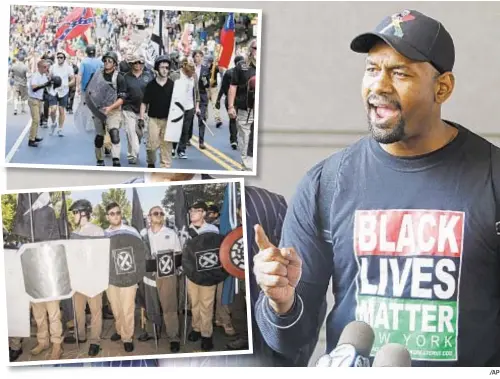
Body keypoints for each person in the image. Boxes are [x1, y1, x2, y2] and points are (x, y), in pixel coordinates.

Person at [253, 10, 500, 367]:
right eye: (372, 69)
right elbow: (290, 339)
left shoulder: (492, 178)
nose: (378, 86)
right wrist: (280, 301)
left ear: (442, 88)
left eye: (400, 72)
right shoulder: (327, 183)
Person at [140, 206, 182, 353]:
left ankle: (173, 337)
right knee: (151, 306)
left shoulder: (171, 233)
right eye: (155, 213)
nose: (159, 215)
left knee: (169, 307)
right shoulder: (143, 235)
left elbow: (178, 254)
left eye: (161, 213)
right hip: (149, 276)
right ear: (149, 217)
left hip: (167, 276)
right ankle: (153, 333)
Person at [104, 202, 143, 353]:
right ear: (108, 216)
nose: (116, 216)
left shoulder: (131, 231)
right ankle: (120, 330)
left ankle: (127, 337)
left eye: (118, 213)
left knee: (127, 308)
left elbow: (140, 253)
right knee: (116, 308)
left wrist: (136, 275)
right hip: (111, 279)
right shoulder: (104, 234)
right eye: (112, 213)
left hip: (128, 277)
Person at [69, 199, 105, 357]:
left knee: (96, 311)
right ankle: (80, 335)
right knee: (78, 311)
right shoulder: (74, 233)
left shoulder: (97, 231)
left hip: (94, 279)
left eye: (75, 213)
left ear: (83, 213)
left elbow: (101, 256)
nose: (73, 216)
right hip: (78, 278)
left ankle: (95, 341)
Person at [185, 201, 219, 351]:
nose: (192, 213)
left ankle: (206, 334)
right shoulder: (185, 230)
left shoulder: (212, 230)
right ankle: (196, 328)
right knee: (195, 302)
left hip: (207, 274)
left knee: (206, 304)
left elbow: (216, 251)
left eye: (196, 210)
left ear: (204, 213)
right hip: (191, 273)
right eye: (191, 210)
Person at [88, 51, 126, 167]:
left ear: (114, 64)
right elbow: (90, 91)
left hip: (113, 110)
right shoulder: (97, 75)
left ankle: (116, 159)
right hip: (99, 110)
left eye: (110, 61)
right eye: (105, 60)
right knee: (99, 137)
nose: (107, 63)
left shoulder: (119, 78)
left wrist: (110, 107)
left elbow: (122, 98)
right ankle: (99, 159)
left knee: (114, 133)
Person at [140, 55, 175, 168]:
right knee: (151, 146)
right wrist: (141, 118)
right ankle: (151, 162)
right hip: (153, 119)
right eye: (162, 67)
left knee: (166, 147)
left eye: (167, 67)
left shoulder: (172, 85)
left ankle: (164, 169)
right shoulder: (151, 85)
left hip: (168, 120)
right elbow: (144, 103)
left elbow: (178, 105)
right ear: (157, 68)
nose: (165, 70)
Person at [228, 39, 257, 170]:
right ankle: (247, 166)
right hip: (246, 108)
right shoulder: (241, 65)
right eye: (255, 48)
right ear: (250, 49)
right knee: (246, 137)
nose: (257, 51)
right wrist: (230, 106)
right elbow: (233, 86)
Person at [122, 54, 155, 165]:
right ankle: (133, 154)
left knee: (139, 133)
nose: (137, 65)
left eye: (140, 62)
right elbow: (122, 93)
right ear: (131, 64)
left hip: (143, 111)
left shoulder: (148, 76)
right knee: (130, 132)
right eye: (135, 63)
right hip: (129, 109)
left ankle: (134, 149)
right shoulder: (126, 77)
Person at [172, 59, 200, 159]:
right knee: (176, 128)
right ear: (184, 68)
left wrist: (197, 107)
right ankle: (173, 147)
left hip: (189, 107)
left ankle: (181, 150)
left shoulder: (194, 76)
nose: (191, 74)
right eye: (189, 72)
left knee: (185, 130)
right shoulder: (175, 75)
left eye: (193, 71)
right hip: (177, 106)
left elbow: (196, 92)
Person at [216, 55, 244, 150]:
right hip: (235, 99)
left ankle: (234, 140)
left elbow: (223, 88)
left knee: (235, 120)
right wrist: (218, 100)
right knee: (234, 120)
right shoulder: (229, 73)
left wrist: (219, 100)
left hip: (236, 99)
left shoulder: (237, 73)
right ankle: (234, 140)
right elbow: (223, 87)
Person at [47, 51, 74, 137]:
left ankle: (60, 129)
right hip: (54, 90)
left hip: (64, 91)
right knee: (53, 110)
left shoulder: (69, 68)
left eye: (61, 57)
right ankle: (54, 123)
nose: (59, 59)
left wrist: (66, 85)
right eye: (58, 57)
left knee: (61, 110)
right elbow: (49, 76)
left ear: (64, 59)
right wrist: (49, 79)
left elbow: (73, 80)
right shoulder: (53, 67)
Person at [27, 59, 50, 147]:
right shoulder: (35, 76)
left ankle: (34, 136)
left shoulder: (43, 76)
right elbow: (34, 87)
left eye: (47, 67)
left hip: (39, 100)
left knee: (37, 119)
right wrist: (44, 85)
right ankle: (31, 140)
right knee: (36, 119)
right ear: (39, 67)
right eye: (44, 67)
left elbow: (47, 84)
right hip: (33, 99)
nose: (46, 68)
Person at [192, 50, 210, 149]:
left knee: (201, 118)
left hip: (202, 95)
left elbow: (207, 85)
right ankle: (187, 138)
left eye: (199, 56)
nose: (197, 58)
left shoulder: (205, 69)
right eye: (196, 56)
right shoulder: (190, 68)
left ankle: (201, 141)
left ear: (202, 57)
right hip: (191, 95)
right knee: (189, 119)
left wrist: (205, 81)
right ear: (193, 57)